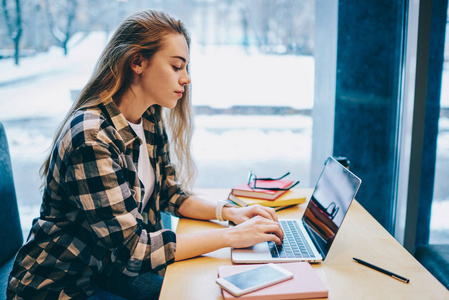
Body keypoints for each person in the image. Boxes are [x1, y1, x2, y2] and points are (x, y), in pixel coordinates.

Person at [7, 10, 283, 300]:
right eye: (177, 66)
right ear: (137, 62)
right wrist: (232, 237)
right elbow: (133, 250)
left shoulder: (148, 117)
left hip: (107, 271)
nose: (187, 79)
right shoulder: (91, 138)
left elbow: (168, 193)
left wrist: (229, 212)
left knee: (208, 290)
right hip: (60, 287)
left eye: (186, 67)